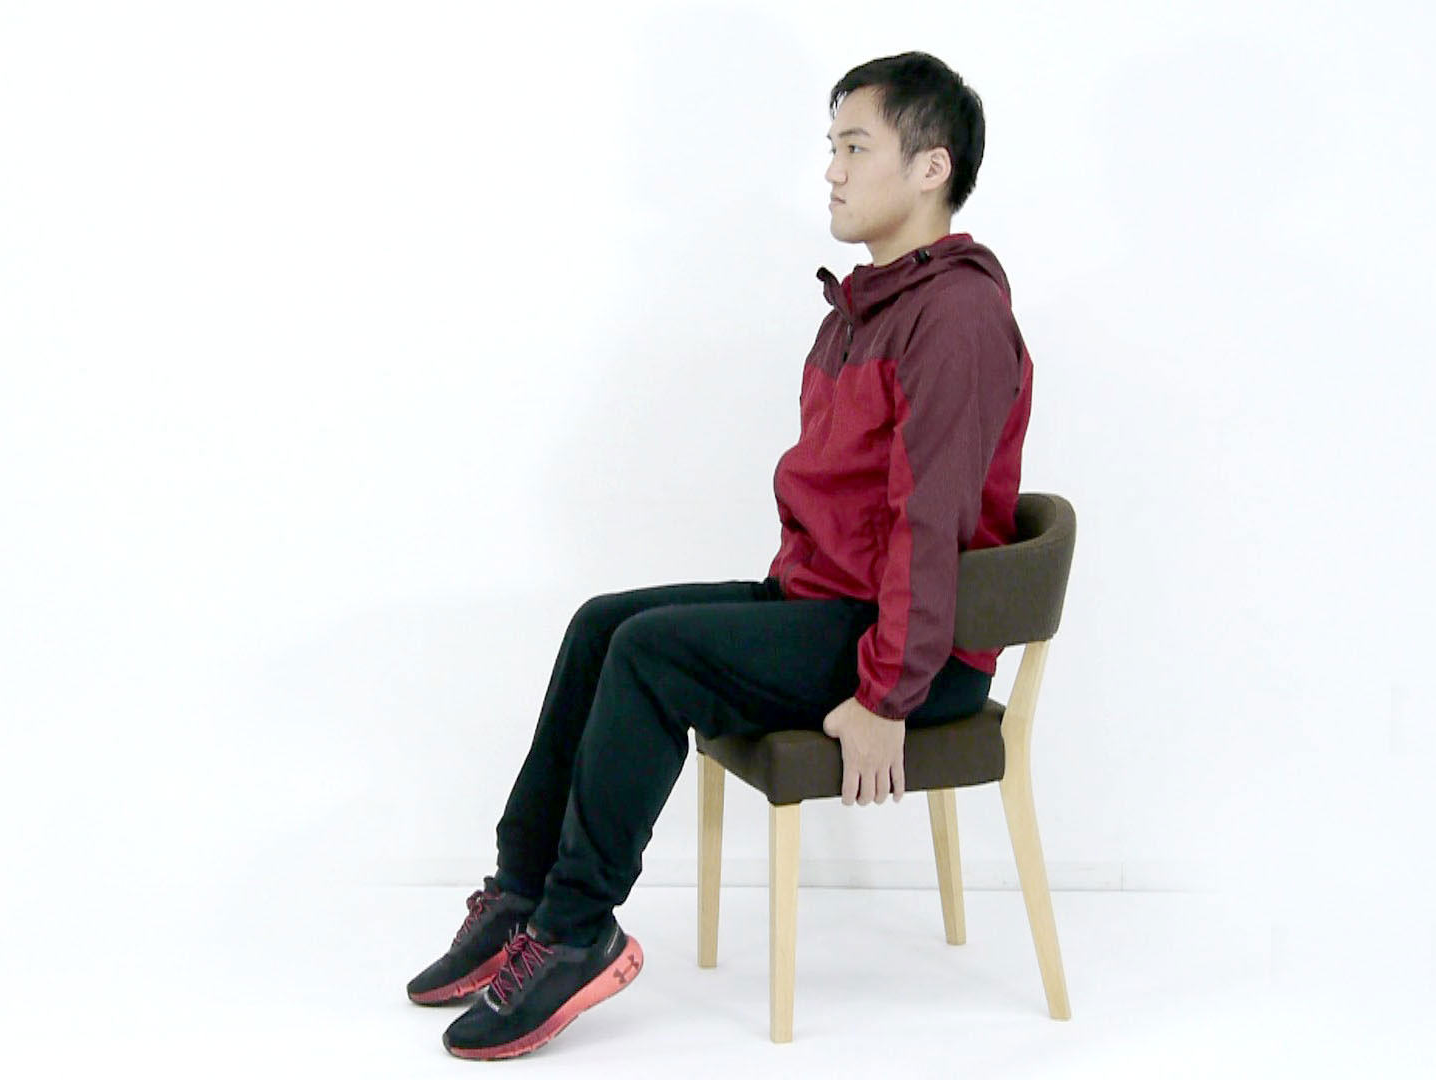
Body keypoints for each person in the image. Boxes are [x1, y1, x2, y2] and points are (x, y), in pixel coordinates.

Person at [407, 50, 1035, 1060]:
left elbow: (934, 523)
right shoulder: (868, 308)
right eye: (831, 146)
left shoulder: (955, 317)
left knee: (652, 654)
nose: (831, 170)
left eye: (855, 147)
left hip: (909, 652)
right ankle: (522, 893)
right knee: (603, 624)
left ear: (932, 167)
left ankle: (576, 932)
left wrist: (888, 698)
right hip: (832, 606)